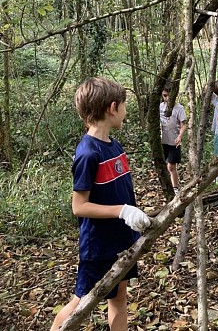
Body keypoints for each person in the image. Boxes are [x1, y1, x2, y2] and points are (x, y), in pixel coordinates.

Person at [51, 77, 151, 331]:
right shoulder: (87, 153)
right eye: (125, 106)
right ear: (112, 107)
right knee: (82, 302)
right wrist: (122, 210)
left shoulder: (114, 146)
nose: (126, 113)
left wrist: (133, 215)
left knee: (119, 297)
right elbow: (79, 206)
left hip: (121, 241)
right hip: (99, 246)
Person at [160, 84, 187, 193]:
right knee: (163, 166)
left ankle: (175, 188)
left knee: (171, 166)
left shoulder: (179, 108)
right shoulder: (160, 106)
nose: (166, 99)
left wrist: (180, 136)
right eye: (164, 96)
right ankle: (167, 186)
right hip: (162, 141)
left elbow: (183, 124)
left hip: (173, 141)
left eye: (168, 96)